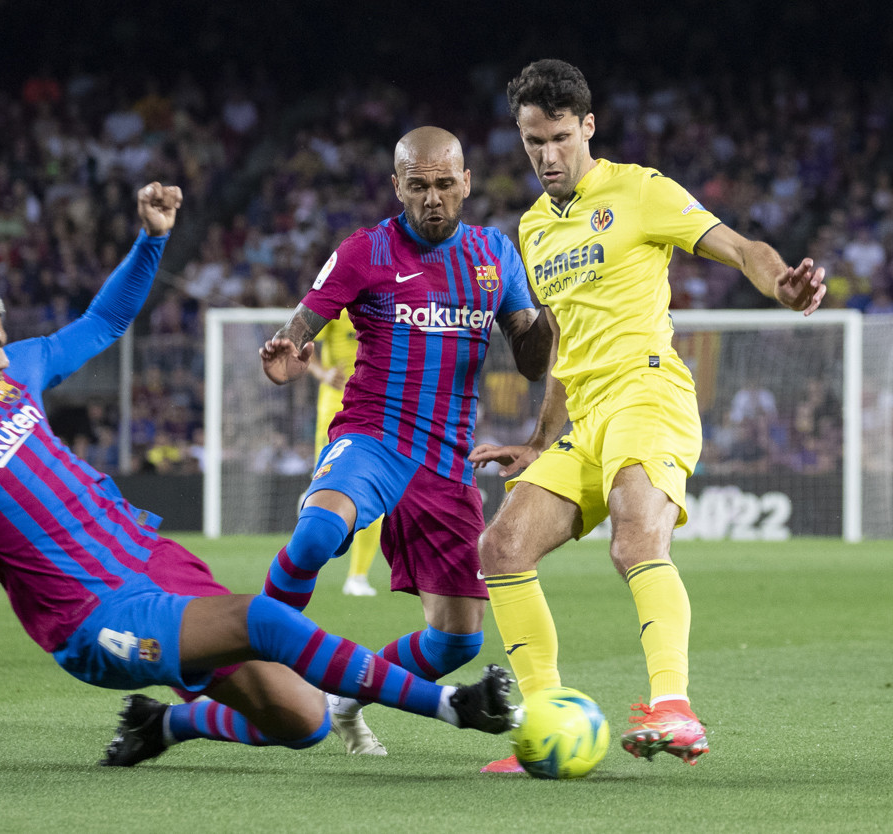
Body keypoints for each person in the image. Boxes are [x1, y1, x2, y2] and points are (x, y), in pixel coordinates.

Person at [0, 183, 519, 768]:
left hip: (154, 562)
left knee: (298, 723)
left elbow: (103, 323)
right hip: (92, 618)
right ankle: (457, 706)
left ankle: (163, 724)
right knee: (262, 619)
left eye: (5, 345)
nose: (7, 358)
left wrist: (151, 241)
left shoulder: (20, 380)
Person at [470, 59, 826, 773]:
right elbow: (566, 340)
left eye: (561, 138)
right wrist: (541, 440)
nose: (547, 155)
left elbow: (740, 247)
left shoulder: (638, 189)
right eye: (533, 140)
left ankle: (675, 708)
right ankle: (546, 720)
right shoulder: (534, 228)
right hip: (584, 417)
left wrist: (780, 282)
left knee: (635, 540)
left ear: (588, 127)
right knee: (499, 550)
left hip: (648, 393)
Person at [258, 127, 551, 755]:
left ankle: (347, 698)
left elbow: (532, 361)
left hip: (447, 463)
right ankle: (252, 657)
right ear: (398, 187)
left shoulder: (496, 254)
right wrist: (288, 349)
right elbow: (304, 321)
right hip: (375, 436)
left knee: (457, 641)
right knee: (315, 534)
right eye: (418, 186)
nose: (434, 198)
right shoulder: (366, 250)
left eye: (446, 184)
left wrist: (548, 317)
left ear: (467, 183)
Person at [306, 310, 381, 597]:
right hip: (335, 405)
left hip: (375, 405)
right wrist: (322, 372)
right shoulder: (337, 305)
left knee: (375, 496)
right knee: (327, 489)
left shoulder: (387, 301)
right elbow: (301, 342)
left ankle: (358, 576)